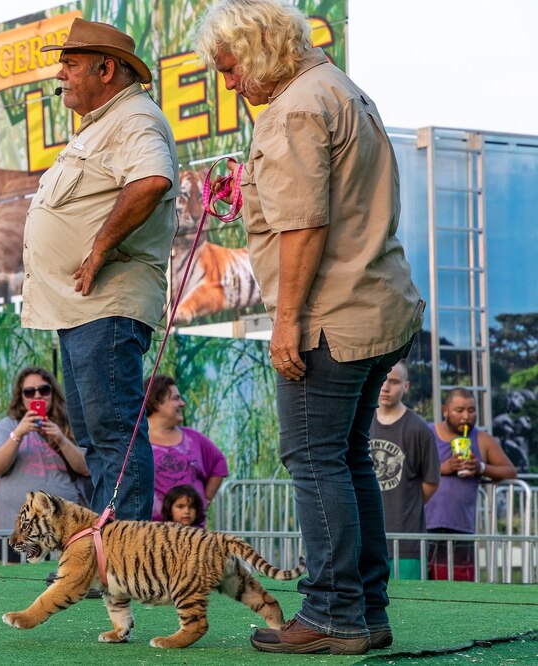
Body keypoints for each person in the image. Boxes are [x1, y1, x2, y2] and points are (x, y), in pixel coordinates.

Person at [195, 0, 425, 654]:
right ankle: (365, 611)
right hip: (382, 304)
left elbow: (304, 227)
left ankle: (330, 614)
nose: (229, 82)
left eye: (231, 67)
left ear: (262, 49)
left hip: (331, 318)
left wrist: (286, 324)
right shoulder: (341, 89)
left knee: (312, 458)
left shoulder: (295, 108)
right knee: (346, 458)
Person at [20, 18, 178, 521]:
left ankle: (123, 560)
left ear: (105, 68)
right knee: (98, 439)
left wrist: (99, 250)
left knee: (114, 437)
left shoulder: (133, 118)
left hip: (106, 305)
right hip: (81, 307)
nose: (59, 74)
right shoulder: (105, 124)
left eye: (69, 64)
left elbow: (152, 181)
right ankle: (105, 554)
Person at [425, 388, 517, 581]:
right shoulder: (427, 433)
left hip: (461, 529)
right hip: (421, 526)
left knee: (458, 592)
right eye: (459, 410)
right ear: (445, 410)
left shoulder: (481, 439)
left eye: (472, 410)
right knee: (418, 588)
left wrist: (481, 467)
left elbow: (510, 471)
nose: (466, 416)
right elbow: (407, 468)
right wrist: (442, 468)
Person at [0, 367, 89, 536]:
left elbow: (86, 468)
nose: (37, 396)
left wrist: (61, 439)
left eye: (44, 390)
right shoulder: (8, 426)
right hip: (18, 527)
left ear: (52, 393)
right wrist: (18, 433)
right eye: (29, 392)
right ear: (20, 397)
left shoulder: (69, 426)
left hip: (64, 526)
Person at [369, 361, 439, 580]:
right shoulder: (360, 423)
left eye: (394, 382)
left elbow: (431, 482)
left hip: (408, 542)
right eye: (382, 380)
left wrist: (405, 504)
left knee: (412, 605)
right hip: (367, 539)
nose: (386, 387)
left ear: (406, 387)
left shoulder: (419, 428)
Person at [145, 375, 228, 523]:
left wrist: (205, 500)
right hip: (152, 534)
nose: (182, 403)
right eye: (176, 398)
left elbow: (219, 463)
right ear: (157, 402)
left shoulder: (194, 438)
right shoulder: (137, 442)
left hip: (192, 534)